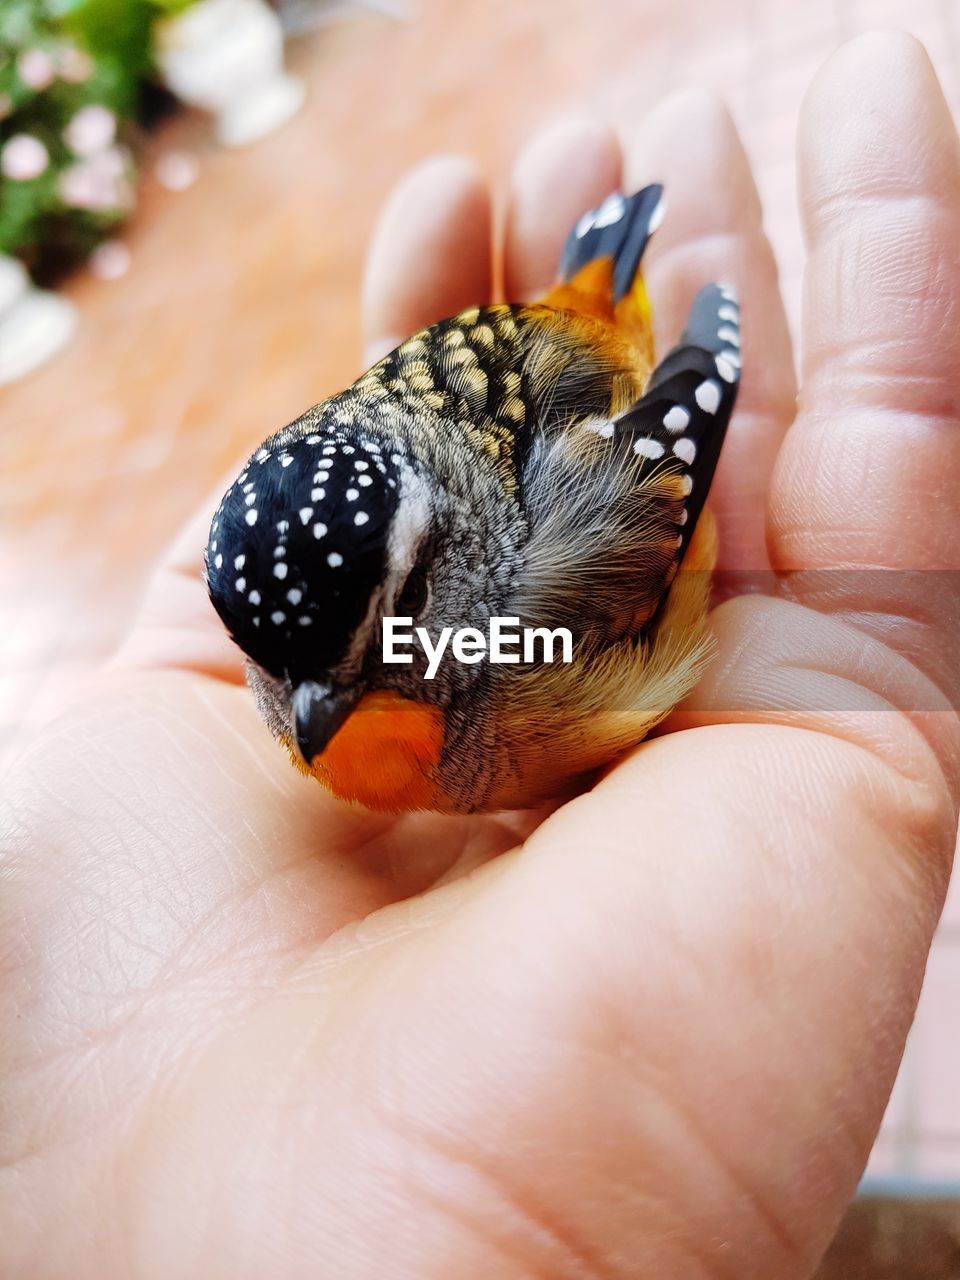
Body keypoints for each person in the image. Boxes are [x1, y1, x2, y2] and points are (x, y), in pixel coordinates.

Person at [1, 31, 957, 1280]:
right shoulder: (328, 623)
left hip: (584, 421)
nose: (302, 722)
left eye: (369, 653)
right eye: (273, 674)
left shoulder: (535, 631)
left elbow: (667, 447)